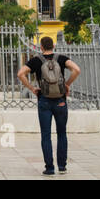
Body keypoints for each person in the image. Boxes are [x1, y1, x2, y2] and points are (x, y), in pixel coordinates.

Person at [17, 37, 80, 176]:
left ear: (41, 47)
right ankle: (62, 166)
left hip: (44, 100)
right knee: (62, 133)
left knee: (46, 135)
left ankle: (50, 168)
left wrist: (32, 88)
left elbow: (20, 74)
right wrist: (67, 84)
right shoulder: (61, 58)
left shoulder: (36, 60)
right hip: (60, 100)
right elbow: (77, 69)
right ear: (53, 46)